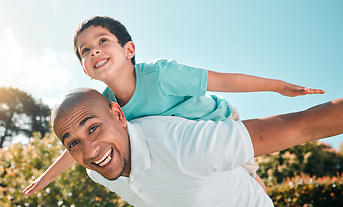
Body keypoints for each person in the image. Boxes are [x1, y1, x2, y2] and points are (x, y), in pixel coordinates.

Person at [23, 16, 324, 195]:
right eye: (85, 50)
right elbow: (82, 143)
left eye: (103, 41)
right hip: (182, 145)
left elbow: (222, 80)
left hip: (218, 124)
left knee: (243, 181)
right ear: (86, 69)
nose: (94, 51)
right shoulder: (104, 105)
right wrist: (44, 178)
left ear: (129, 49)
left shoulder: (162, 75)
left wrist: (280, 87)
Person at [33, 87, 343, 207]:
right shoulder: (96, 169)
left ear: (118, 115)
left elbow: (302, 125)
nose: (90, 150)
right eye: (74, 142)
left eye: (93, 128)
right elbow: (81, 146)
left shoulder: (183, 144)